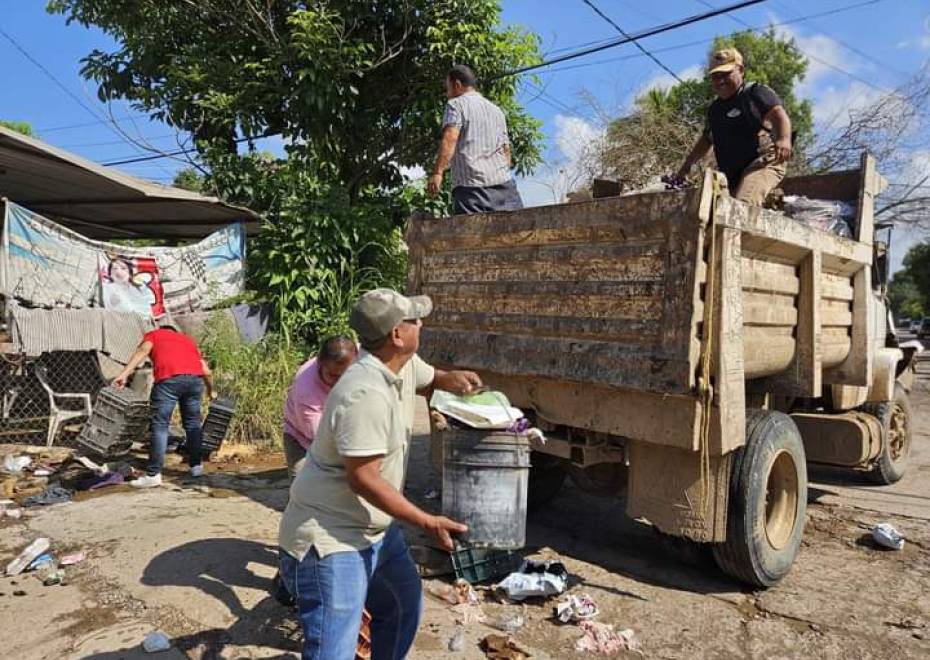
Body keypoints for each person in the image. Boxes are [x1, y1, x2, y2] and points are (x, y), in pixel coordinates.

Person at [278, 288, 482, 660]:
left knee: (402, 608)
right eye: (414, 319)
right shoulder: (364, 392)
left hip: (374, 529)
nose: (422, 323)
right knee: (332, 652)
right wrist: (426, 520)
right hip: (332, 539)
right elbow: (363, 478)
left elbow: (430, 376)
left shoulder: (399, 364)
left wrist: (452, 379)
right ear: (397, 335)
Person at [675, 48, 793, 205]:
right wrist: (686, 167)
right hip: (733, 176)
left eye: (725, 75)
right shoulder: (715, 110)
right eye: (715, 77)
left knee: (742, 207)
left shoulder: (754, 93)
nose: (720, 81)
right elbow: (707, 139)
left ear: (741, 70)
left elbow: (778, 113)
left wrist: (784, 139)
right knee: (715, 212)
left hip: (762, 165)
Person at [113, 316, 215, 488]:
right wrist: (211, 390)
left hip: (169, 380)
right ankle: (196, 467)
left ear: (161, 330)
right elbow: (206, 370)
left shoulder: (154, 335)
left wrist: (124, 374)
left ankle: (153, 474)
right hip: (195, 382)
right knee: (193, 424)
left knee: (160, 425)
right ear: (175, 332)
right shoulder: (187, 340)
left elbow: (142, 351)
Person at [427, 64, 524, 215]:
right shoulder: (497, 111)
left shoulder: (456, 105)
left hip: (472, 191)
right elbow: (506, 152)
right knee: (516, 234)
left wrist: (438, 173)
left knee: (473, 237)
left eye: (448, 88)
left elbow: (450, 138)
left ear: (457, 85)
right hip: (505, 189)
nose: (447, 93)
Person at [282, 335, 358, 479]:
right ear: (320, 363)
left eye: (345, 374)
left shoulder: (361, 364)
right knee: (302, 487)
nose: (339, 382)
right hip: (302, 438)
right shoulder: (305, 388)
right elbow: (322, 438)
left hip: (344, 428)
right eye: (333, 375)